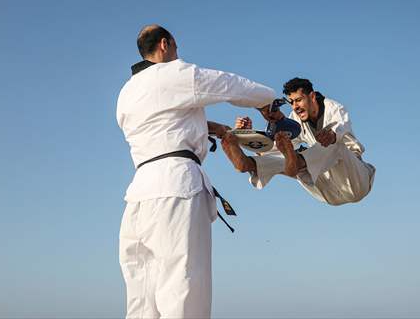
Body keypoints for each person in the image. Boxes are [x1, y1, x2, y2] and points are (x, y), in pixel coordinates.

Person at [116, 24, 276, 319]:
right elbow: (228, 84)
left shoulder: (127, 93)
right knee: (183, 291)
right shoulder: (175, 73)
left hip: (138, 198)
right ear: (165, 44)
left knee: (142, 302)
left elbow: (161, 126)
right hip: (175, 189)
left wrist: (208, 127)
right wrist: (267, 100)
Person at [221, 77, 375, 206]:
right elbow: (273, 149)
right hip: (329, 190)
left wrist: (332, 135)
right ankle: (249, 164)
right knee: (285, 152)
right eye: (292, 102)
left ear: (312, 96)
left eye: (299, 100)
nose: (295, 107)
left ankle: (298, 161)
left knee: (332, 145)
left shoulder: (334, 108)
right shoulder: (297, 119)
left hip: (354, 180)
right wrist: (247, 136)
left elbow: (341, 128)